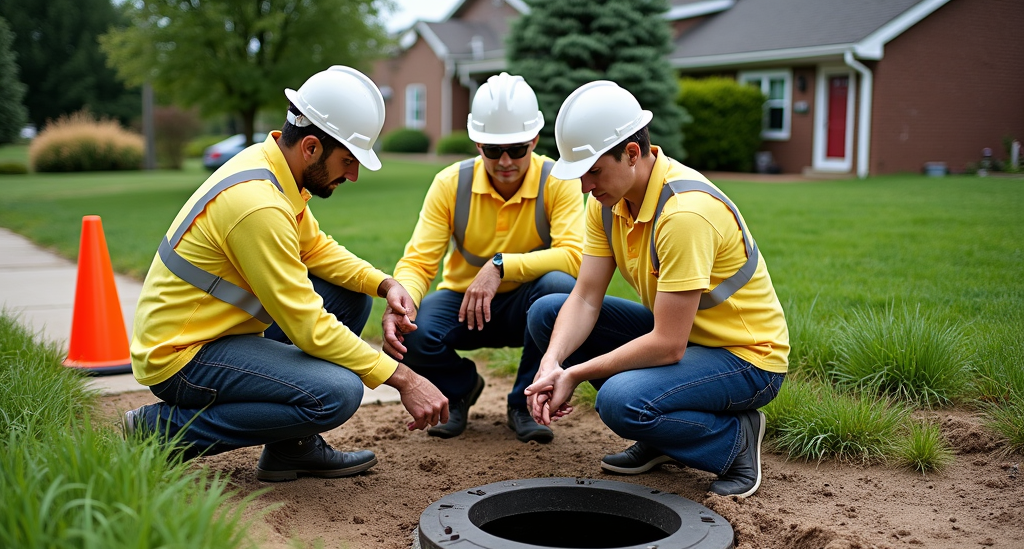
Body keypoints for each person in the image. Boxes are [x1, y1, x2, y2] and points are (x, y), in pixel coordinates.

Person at [124, 66, 448, 481]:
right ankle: (160, 432)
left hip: (219, 334)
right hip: (182, 356)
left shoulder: (274, 170)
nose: (353, 175)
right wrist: (404, 379)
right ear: (311, 146)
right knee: (337, 393)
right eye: (348, 160)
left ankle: (290, 449)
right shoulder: (257, 205)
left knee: (351, 296)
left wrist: (385, 284)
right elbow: (307, 325)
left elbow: (314, 247)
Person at [525, 80, 789, 498]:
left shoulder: (685, 214)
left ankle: (735, 440)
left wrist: (574, 373)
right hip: (686, 340)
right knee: (548, 313)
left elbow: (667, 345)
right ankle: (664, 433)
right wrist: (551, 363)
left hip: (745, 358)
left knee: (617, 401)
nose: (584, 187)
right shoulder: (608, 202)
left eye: (593, 171)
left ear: (632, 153)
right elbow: (585, 296)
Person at [383, 72, 583, 443]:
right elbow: (419, 261)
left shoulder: (559, 179)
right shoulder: (450, 183)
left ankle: (526, 401)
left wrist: (500, 265)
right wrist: (402, 300)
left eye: (517, 149)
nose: (505, 160)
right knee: (410, 327)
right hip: (464, 306)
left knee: (560, 289)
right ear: (477, 144)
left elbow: (576, 257)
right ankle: (459, 388)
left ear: (535, 140)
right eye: (493, 150)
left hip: (531, 308)